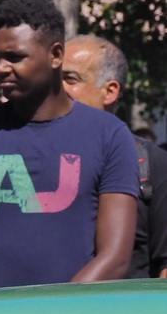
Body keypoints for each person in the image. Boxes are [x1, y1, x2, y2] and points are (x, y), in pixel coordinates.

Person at [0, 0, 137, 291]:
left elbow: (114, 258)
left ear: (55, 55)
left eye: (14, 57)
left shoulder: (110, 135)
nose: (0, 67)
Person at [60, 34, 167, 278]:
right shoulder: (30, 156)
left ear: (109, 92)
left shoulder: (152, 164)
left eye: (70, 79)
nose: (57, 88)